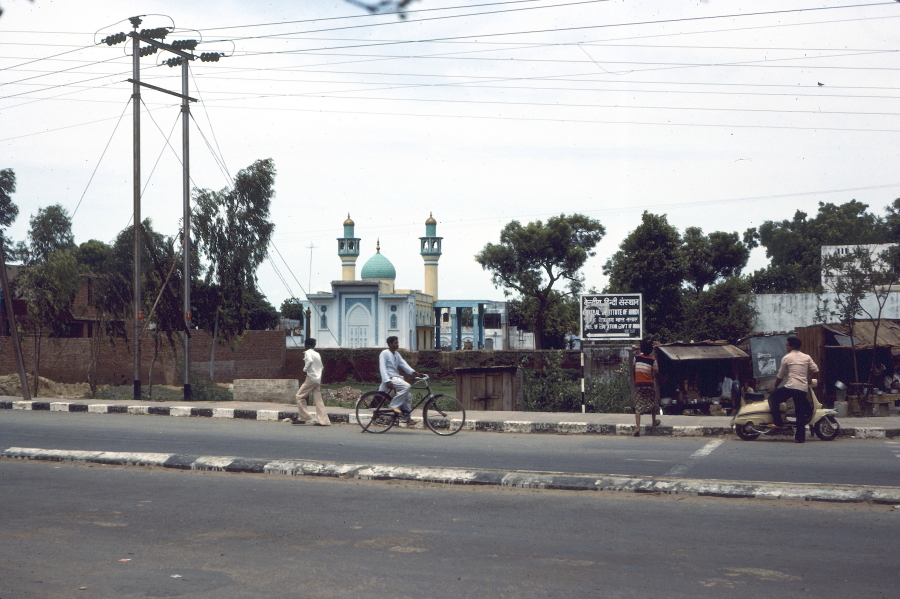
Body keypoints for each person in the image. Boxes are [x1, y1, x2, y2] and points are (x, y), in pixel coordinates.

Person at [766, 336, 819, 443]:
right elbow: (816, 370)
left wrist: (774, 387)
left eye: (787, 345)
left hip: (790, 387)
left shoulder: (787, 358)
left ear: (791, 346)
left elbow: (781, 376)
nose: (786, 347)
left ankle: (778, 422)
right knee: (800, 412)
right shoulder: (806, 357)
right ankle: (800, 438)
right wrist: (808, 379)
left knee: (772, 398)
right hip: (802, 388)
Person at [379, 336, 420, 420]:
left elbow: (404, 365)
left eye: (397, 343)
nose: (397, 345)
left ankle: (407, 418)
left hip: (396, 378)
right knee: (407, 386)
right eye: (396, 343)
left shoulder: (396, 354)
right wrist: (387, 381)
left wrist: (414, 373)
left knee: (408, 396)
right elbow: (382, 367)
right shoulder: (384, 353)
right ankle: (394, 405)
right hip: (390, 378)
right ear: (390, 344)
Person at [294, 338, 331, 426]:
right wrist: (318, 376)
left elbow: (309, 361)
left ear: (306, 345)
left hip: (311, 378)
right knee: (318, 400)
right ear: (314, 345)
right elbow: (321, 367)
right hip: (317, 379)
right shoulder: (317, 354)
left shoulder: (307, 353)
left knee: (299, 396)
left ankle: (303, 417)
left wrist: (304, 370)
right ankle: (324, 421)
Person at [632, 339, 660, 437]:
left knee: (638, 406)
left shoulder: (636, 358)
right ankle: (653, 421)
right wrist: (650, 379)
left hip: (638, 384)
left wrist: (636, 380)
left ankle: (638, 428)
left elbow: (633, 370)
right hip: (648, 384)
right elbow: (654, 373)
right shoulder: (653, 360)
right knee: (652, 402)